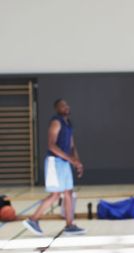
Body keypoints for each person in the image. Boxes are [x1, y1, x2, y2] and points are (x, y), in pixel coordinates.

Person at [23, 99, 86, 236]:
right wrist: (71, 160)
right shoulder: (56, 122)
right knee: (56, 194)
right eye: (62, 105)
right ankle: (33, 220)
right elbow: (51, 145)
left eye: (67, 104)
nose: (66, 107)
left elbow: (71, 145)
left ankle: (70, 225)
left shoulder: (68, 124)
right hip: (54, 162)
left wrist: (77, 162)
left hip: (64, 162)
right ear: (57, 109)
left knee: (68, 193)